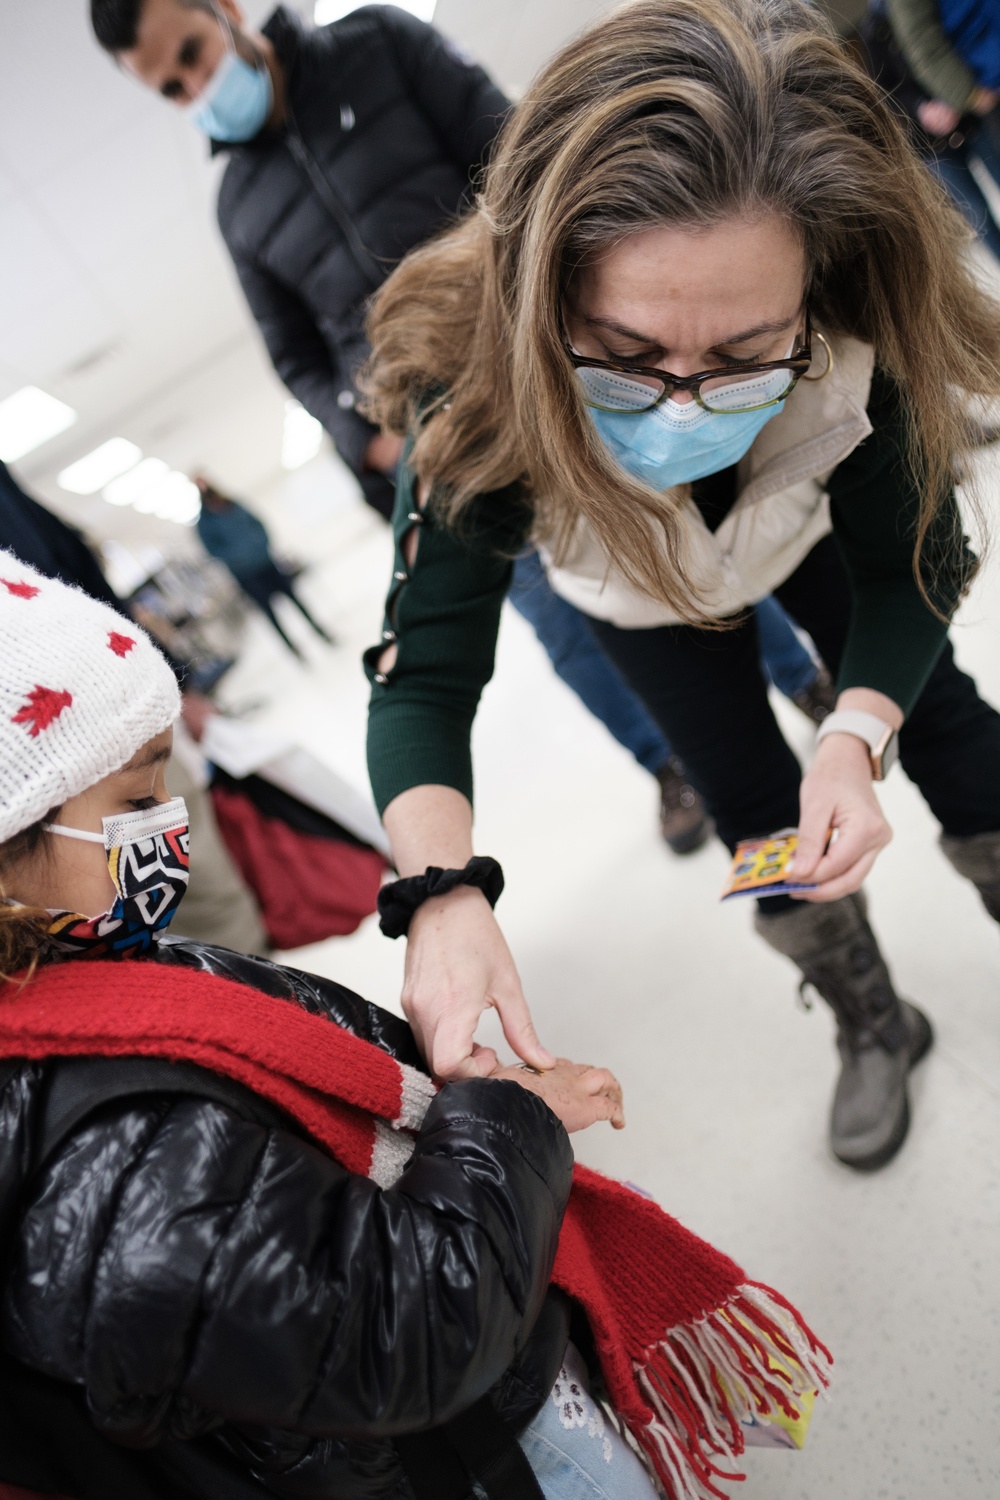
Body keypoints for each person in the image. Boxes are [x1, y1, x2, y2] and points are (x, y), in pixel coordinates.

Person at [0, 557, 829, 1499]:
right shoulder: (109, 1149)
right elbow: (407, 1326)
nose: (170, 830)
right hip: (452, 1454)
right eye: (137, 802)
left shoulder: (86, 976)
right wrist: (504, 1119)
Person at [359, 0, 1000, 1173]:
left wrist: (855, 735)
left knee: (944, 721)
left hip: (801, 535)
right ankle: (871, 1021)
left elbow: (917, 572)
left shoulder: (856, 334)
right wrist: (440, 896)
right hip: (637, 600)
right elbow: (420, 681)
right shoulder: (482, 404)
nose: (685, 404)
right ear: (543, 301)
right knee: (755, 813)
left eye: (747, 355)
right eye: (628, 352)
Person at [90, 0, 832, 855]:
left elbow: (522, 154)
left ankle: (798, 676)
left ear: (222, 10)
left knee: (661, 540)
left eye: (190, 54)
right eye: (171, 88)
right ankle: (666, 765)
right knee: (558, 618)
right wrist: (374, 439)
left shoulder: (377, 44)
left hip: (554, 372)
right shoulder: (239, 207)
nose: (196, 88)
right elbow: (295, 359)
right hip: (449, 447)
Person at [0, 458, 268, 955]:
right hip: (71, 742)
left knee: (217, 911)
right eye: (143, 802)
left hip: (116, 701)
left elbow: (71, 560)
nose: (175, 820)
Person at [877, 0, 1000, 260]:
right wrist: (928, 106)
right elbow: (886, 95)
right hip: (931, 144)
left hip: (967, 121)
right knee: (977, 213)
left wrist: (960, 97)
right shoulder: (875, 31)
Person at [194, 474, 335, 657]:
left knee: (296, 600)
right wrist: (239, 560)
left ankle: (320, 631)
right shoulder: (204, 523)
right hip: (247, 575)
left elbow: (258, 524)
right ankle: (292, 649)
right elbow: (213, 551)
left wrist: (262, 547)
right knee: (271, 615)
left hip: (267, 563)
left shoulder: (233, 504)